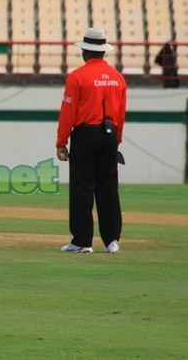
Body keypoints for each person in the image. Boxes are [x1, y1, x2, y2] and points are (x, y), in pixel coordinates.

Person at [56, 28, 127, 254]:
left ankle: (82, 241)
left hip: (85, 135)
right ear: (103, 52)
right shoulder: (117, 78)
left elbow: (68, 111)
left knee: (82, 188)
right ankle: (112, 240)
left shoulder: (78, 77)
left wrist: (61, 141)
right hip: (110, 136)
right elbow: (122, 112)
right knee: (108, 187)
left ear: (85, 51)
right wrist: (117, 139)